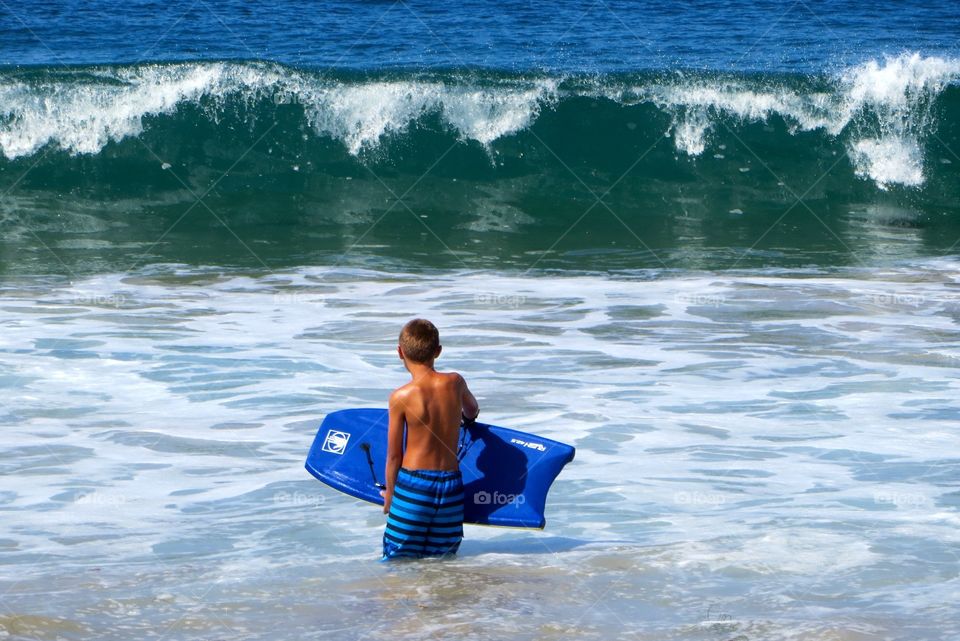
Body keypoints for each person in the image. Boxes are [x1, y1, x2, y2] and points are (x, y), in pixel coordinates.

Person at [381, 318, 479, 560]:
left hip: (414, 485)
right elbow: (472, 410)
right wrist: (465, 419)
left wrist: (391, 494)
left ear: (400, 352)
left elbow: (394, 455)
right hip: (451, 486)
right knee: (442, 560)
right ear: (438, 351)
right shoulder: (455, 382)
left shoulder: (401, 397)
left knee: (398, 559)